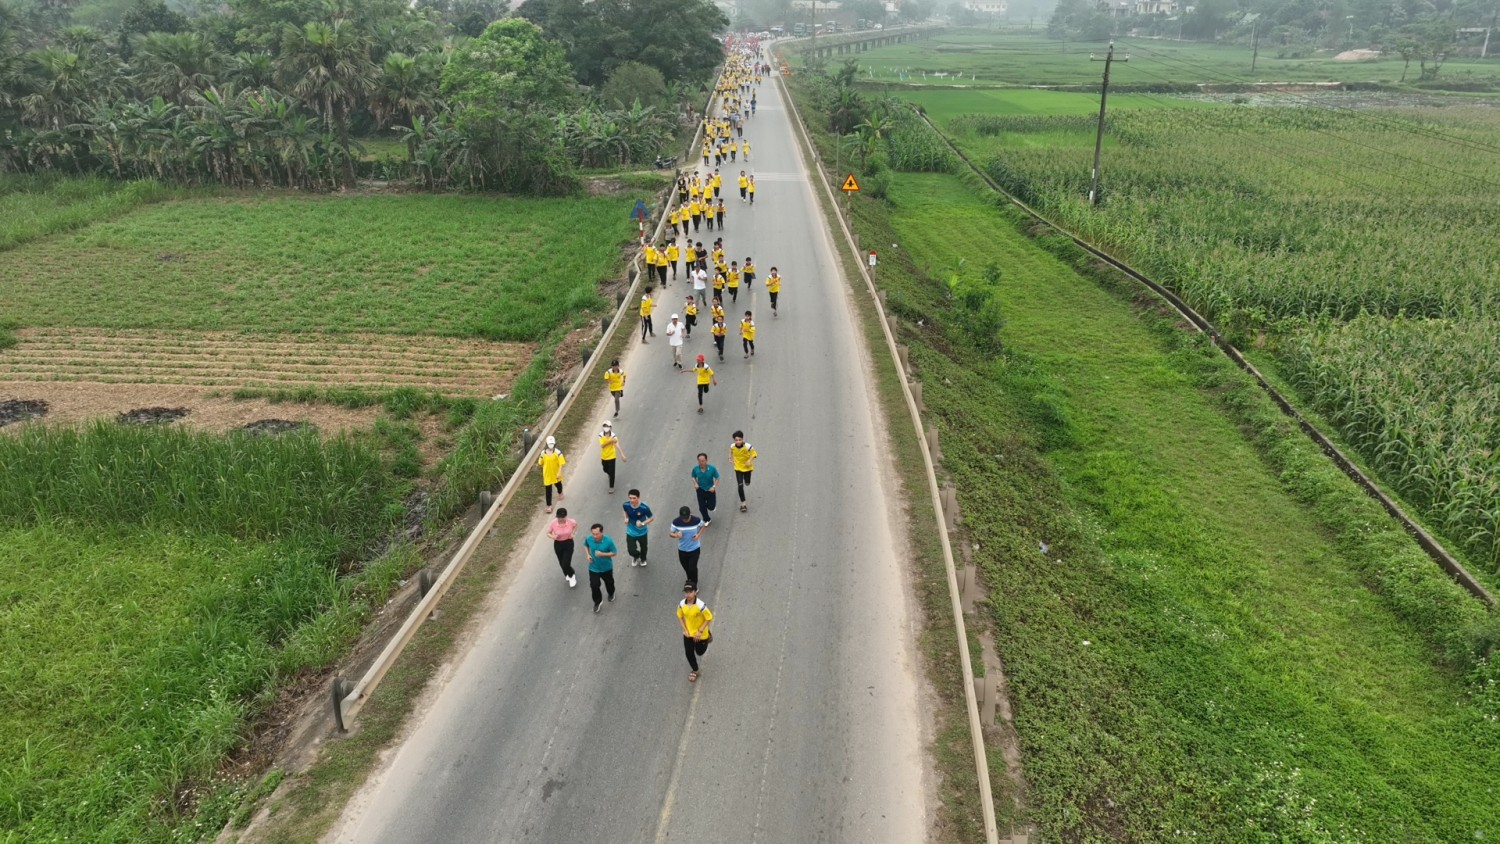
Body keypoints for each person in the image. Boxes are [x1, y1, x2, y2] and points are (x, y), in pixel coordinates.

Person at [677, 583, 714, 682]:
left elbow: (709, 617)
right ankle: (695, 670)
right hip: (688, 633)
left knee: (700, 652)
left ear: (695, 592)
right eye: (686, 592)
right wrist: (684, 629)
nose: (687, 595)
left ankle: (708, 635)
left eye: (690, 592)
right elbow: (679, 616)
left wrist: (700, 631)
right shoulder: (682, 604)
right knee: (689, 653)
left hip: (701, 634)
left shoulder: (701, 605)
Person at [583, 524, 618, 613]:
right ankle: (597, 602)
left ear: (602, 532)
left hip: (606, 568)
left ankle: (611, 593)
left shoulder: (608, 541)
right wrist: (588, 555)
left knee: (609, 583)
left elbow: (614, 553)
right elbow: (586, 545)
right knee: (594, 586)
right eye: (593, 534)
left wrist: (603, 554)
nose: (595, 536)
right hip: (593, 568)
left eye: (597, 534)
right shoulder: (589, 538)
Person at [669, 506, 706, 586]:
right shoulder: (676, 522)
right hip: (682, 550)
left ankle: (694, 584)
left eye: (686, 518)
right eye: (683, 518)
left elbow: (703, 526)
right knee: (686, 568)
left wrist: (698, 535)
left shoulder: (696, 520)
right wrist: (676, 535)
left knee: (692, 568)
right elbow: (670, 533)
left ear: (690, 514)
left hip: (694, 549)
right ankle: (690, 579)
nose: (685, 519)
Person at [545, 508, 579, 587]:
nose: (560, 519)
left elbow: (575, 526)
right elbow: (548, 533)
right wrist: (553, 536)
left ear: (565, 516)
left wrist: (573, 533)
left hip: (568, 543)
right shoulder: (553, 523)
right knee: (561, 562)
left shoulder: (571, 521)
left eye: (562, 517)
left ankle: (572, 575)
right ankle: (567, 573)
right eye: (558, 517)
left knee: (565, 563)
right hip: (558, 544)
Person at [622, 489, 654, 567]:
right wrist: (625, 518)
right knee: (631, 550)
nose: (632, 500)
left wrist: (642, 523)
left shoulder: (644, 507)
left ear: (638, 497)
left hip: (642, 532)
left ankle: (643, 559)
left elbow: (651, 518)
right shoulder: (626, 505)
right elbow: (625, 511)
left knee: (643, 547)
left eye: (634, 498)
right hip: (630, 531)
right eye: (630, 498)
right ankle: (636, 556)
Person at [730, 430, 757, 511]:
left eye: (739, 440)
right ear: (734, 440)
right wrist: (730, 459)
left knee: (747, 482)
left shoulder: (748, 446)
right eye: (736, 440)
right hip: (738, 468)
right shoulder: (732, 446)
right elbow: (731, 452)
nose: (738, 442)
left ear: (742, 439)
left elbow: (754, 454)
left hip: (747, 468)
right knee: (740, 485)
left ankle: (747, 480)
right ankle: (743, 504)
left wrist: (749, 460)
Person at [691, 452, 720, 524]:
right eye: (699, 461)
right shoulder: (695, 469)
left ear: (706, 460)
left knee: (711, 507)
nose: (701, 462)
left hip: (710, 490)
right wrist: (695, 484)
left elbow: (717, 478)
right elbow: (693, 477)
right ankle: (706, 519)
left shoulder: (712, 468)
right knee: (702, 507)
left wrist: (713, 487)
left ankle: (712, 507)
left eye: (702, 461)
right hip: (700, 490)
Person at [539, 435, 566, 512]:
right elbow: (540, 462)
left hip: (556, 474)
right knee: (548, 491)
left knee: (558, 485)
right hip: (547, 475)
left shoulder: (558, 453)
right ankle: (549, 506)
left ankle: (560, 493)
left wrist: (559, 472)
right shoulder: (543, 453)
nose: (551, 445)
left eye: (552, 444)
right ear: (546, 444)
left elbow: (561, 463)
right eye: (549, 444)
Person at [599, 420, 626, 493]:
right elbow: (602, 445)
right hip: (604, 456)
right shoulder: (601, 435)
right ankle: (609, 474)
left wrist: (622, 454)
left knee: (612, 472)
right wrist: (610, 441)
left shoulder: (613, 436)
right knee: (605, 469)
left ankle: (611, 487)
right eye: (604, 426)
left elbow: (617, 445)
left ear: (610, 427)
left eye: (607, 426)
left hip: (612, 456)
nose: (606, 428)